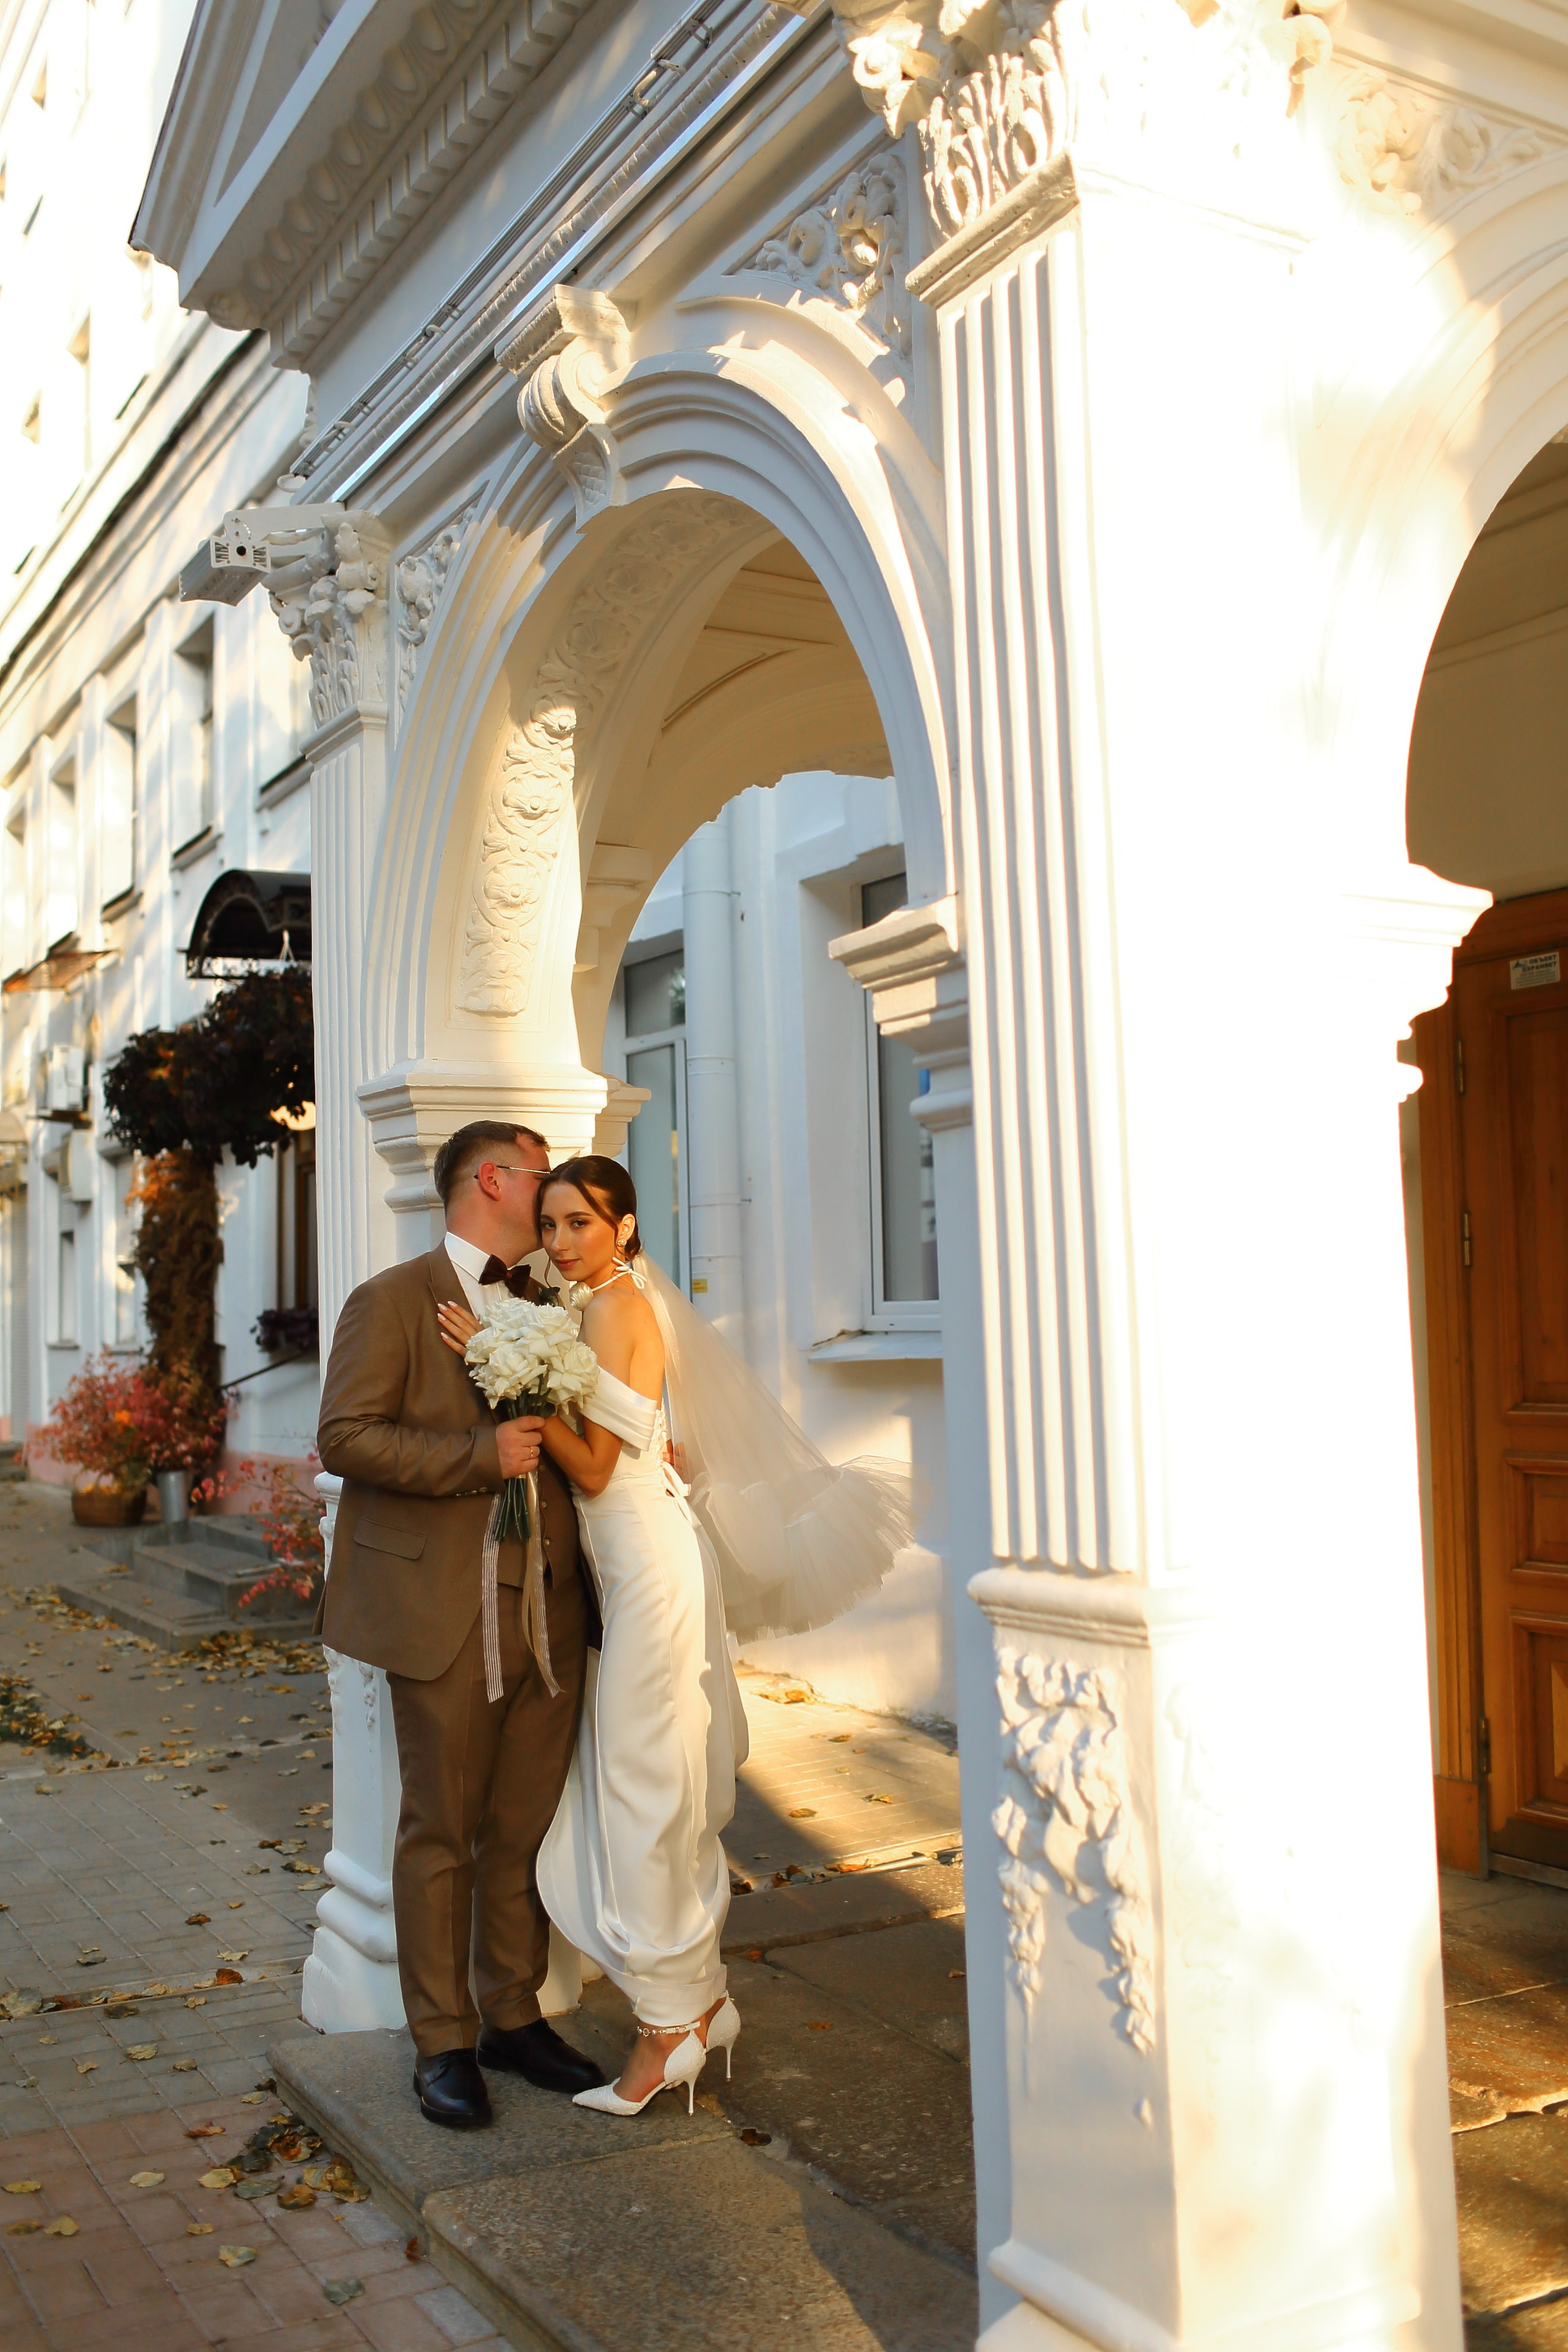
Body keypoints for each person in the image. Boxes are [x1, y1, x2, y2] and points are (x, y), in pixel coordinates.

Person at [436, 1153, 919, 2116]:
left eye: (582, 1223)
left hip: (648, 1567)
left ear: (623, 1227)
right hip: (630, 1562)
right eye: (553, 1223)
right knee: (656, 1772)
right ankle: (702, 2004)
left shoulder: (616, 1306)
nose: (563, 1241)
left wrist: (510, 1377)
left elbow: (599, 1465)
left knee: (646, 1782)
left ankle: (668, 2034)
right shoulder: (592, 1303)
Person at [317, 1120, 606, 2130]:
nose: (556, 1189)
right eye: (543, 1175)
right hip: (445, 1612)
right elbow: (345, 1437)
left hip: (551, 1612)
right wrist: (481, 1458)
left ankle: (512, 2015)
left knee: (520, 1823)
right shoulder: (389, 1301)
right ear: (494, 1179)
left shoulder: (546, 1303)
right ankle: (440, 2038)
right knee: (440, 1827)